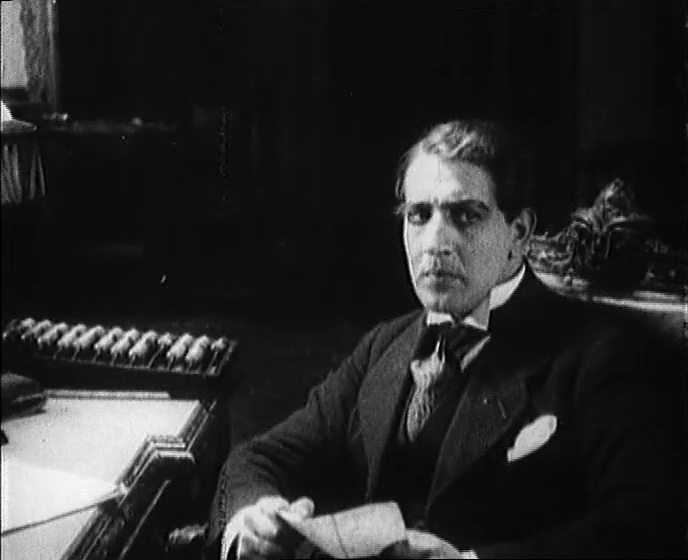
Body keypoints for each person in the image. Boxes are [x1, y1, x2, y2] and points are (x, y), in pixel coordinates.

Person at [207, 120, 686, 558]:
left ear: (518, 233)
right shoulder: (384, 346)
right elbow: (256, 459)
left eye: (465, 216)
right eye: (419, 215)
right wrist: (251, 518)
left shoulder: (601, 356)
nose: (436, 242)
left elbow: (645, 529)